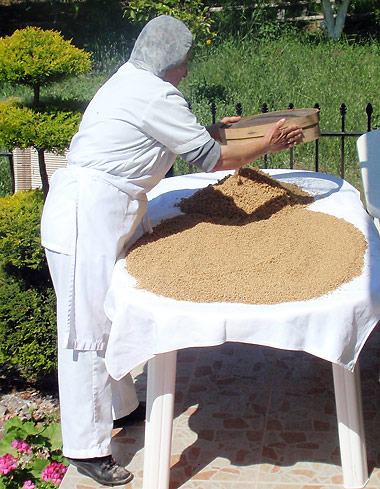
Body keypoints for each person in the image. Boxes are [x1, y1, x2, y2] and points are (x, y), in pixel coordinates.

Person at [40, 15, 302, 487]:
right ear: (168, 62)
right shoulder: (155, 93)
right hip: (86, 215)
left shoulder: (132, 81)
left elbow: (177, 138)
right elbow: (210, 159)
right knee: (85, 331)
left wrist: (216, 129)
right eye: (184, 64)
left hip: (105, 207)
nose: (186, 72)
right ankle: (85, 448)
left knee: (106, 316)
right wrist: (269, 142)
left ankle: (122, 407)